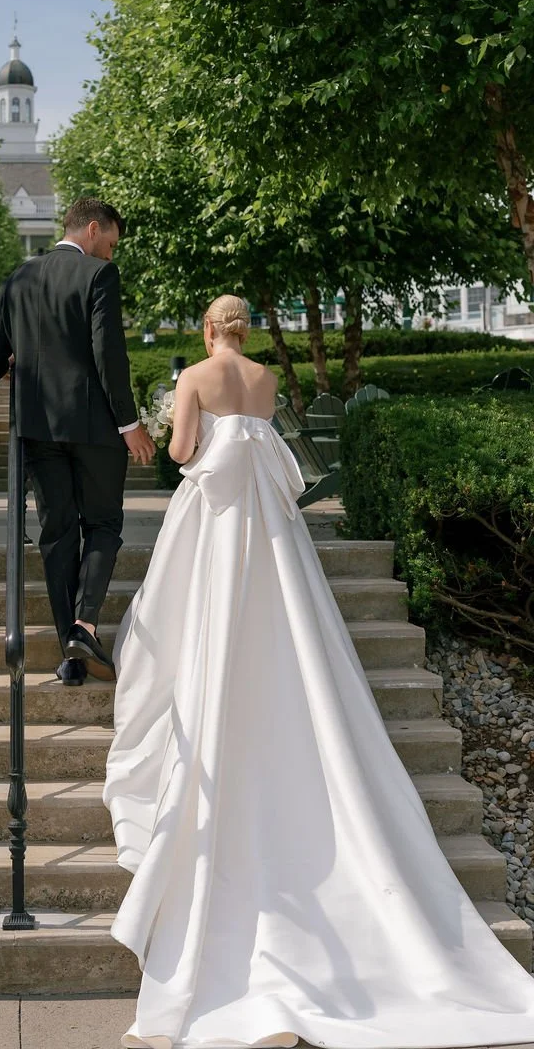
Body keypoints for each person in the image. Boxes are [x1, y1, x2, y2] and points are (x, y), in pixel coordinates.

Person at [104, 292, 534, 1048]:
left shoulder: (195, 376)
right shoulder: (267, 379)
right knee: (293, 620)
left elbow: (181, 456)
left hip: (216, 516)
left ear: (208, 330)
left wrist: (183, 426)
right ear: (245, 330)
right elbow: (264, 443)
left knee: (194, 618)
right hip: (268, 523)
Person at [0, 196, 155, 684]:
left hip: (38, 428)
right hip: (95, 427)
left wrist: (17, 363)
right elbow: (108, 352)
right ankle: (84, 624)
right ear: (92, 229)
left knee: (57, 534)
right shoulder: (100, 275)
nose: (111, 254)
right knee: (103, 523)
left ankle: (71, 658)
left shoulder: (18, 278)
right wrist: (130, 424)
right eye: (111, 243)